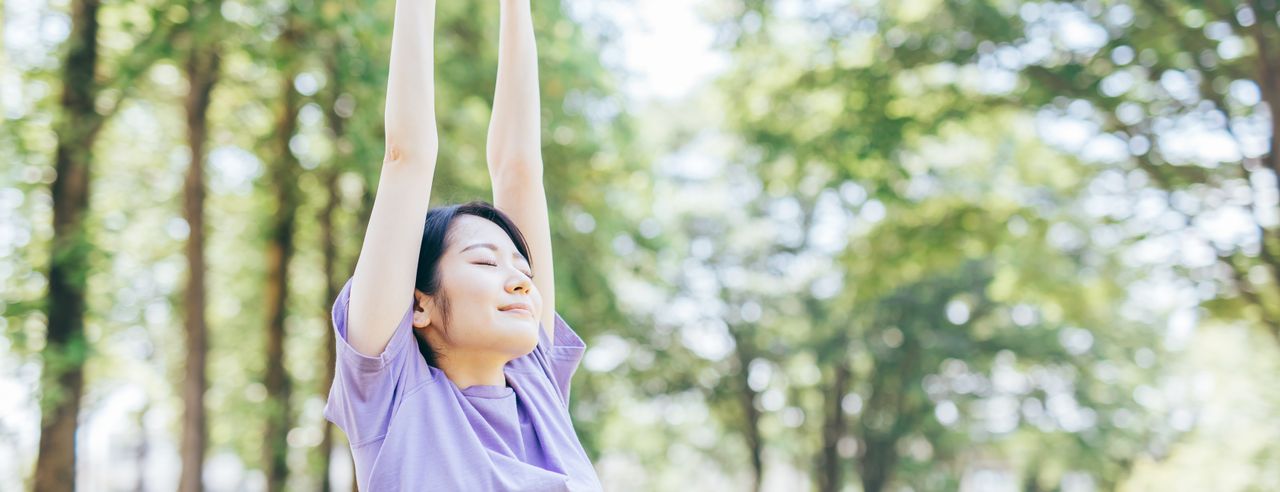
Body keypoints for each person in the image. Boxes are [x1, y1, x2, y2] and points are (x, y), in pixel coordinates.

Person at [323, 0, 602, 489]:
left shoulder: (537, 384)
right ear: (418, 305)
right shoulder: (391, 396)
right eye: (484, 261)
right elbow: (406, 155)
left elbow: (519, 168)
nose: (520, 281)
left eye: (522, 269)